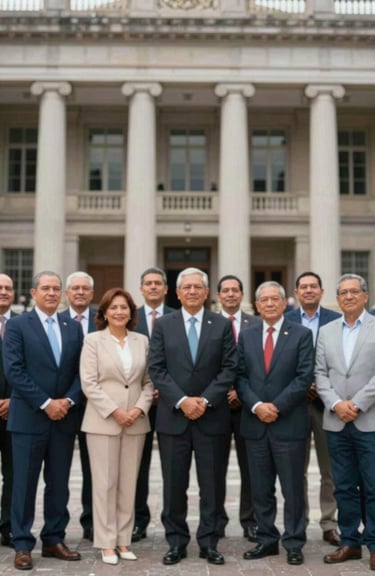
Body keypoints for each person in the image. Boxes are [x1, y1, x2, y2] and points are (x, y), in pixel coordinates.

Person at [148, 267, 237, 566]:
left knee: (212, 485)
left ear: (207, 292)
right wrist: (183, 401)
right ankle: (176, 541)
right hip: (174, 418)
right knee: (174, 485)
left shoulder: (221, 324)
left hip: (212, 419)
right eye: (186, 287)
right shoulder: (163, 324)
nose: (192, 292)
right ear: (177, 292)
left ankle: (209, 542)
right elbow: (157, 368)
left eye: (198, 287)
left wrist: (206, 400)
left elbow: (229, 368)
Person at [3, 271, 83, 571]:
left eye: (56, 289)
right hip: (29, 418)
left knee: (59, 484)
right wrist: (46, 402)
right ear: (34, 292)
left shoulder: (72, 327)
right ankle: (22, 543)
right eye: (45, 288)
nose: (51, 293)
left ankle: (53, 538)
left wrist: (68, 401)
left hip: (64, 418)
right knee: (23, 484)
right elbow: (14, 370)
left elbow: (80, 371)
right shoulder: (17, 325)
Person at [237, 281, 314, 566]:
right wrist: (257, 406)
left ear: (285, 303)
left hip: (289, 424)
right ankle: (267, 539)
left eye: (274, 299)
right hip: (255, 424)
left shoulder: (301, 334)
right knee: (260, 488)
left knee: (292, 488)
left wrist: (277, 406)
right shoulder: (246, 336)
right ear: (257, 306)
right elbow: (240, 376)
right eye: (264, 300)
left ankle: (294, 542)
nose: (269, 304)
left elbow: (304, 377)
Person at [80, 288, 153, 565]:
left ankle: (124, 540)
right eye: (114, 308)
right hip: (103, 421)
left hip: (136, 421)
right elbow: (89, 382)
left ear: (131, 313)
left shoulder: (141, 341)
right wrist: (114, 411)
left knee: (128, 485)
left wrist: (137, 409)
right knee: (104, 484)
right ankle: (106, 543)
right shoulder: (93, 341)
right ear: (105, 313)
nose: (119, 312)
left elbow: (149, 382)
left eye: (124, 307)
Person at [315, 273, 375, 571]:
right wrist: (337, 404)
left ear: (365, 296)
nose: (348, 297)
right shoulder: (326, 331)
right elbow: (320, 373)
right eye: (343, 293)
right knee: (344, 486)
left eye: (354, 292)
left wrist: (358, 404)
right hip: (336, 420)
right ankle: (350, 541)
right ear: (337, 299)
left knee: (374, 485)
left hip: (369, 419)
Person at [286, 271, 341, 546]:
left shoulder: (336, 320)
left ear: (321, 291)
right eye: (303, 287)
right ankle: (299, 521)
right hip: (293, 405)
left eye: (313, 287)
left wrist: (322, 386)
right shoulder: (286, 320)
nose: (308, 290)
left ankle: (329, 522)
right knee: (296, 468)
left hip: (326, 404)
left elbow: (342, 361)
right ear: (296, 292)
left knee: (328, 468)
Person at [216, 274, 261, 542]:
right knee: (215, 468)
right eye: (226, 290)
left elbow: (258, 366)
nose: (231, 294)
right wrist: (224, 391)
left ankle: (250, 520)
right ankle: (217, 519)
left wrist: (241, 393)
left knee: (251, 468)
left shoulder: (255, 324)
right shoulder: (209, 323)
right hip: (217, 407)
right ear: (218, 296)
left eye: (235, 290)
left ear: (242, 295)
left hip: (248, 407)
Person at [132, 267, 174, 544]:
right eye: (148, 283)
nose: (154, 288)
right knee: (138, 464)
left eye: (158, 283)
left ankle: (173, 519)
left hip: (172, 403)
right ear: (141, 288)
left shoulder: (178, 317)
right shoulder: (128, 316)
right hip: (137, 404)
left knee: (174, 466)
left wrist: (165, 390)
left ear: (166, 288)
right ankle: (138, 519)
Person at [60, 271, 96, 542]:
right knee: (59, 470)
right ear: (67, 293)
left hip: (96, 407)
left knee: (94, 468)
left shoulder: (102, 320)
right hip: (63, 406)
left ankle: (92, 522)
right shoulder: (56, 321)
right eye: (75, 289)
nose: (80, 292)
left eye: (85, 288)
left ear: (92, 293)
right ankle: (57, 525)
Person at [0, 274, 16, 548]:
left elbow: (33, 367)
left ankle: (8, 528)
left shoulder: (23, 325)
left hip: (16, 411)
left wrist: (15, 399)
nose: (3, 292)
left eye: (8, 288)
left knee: (14, 474)